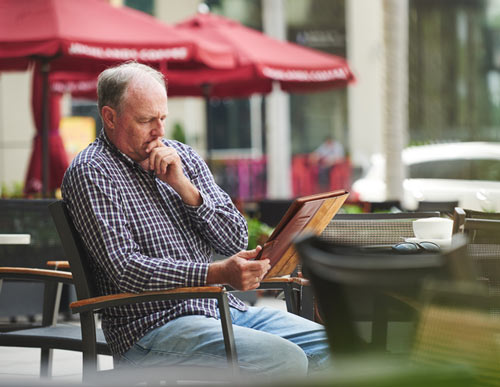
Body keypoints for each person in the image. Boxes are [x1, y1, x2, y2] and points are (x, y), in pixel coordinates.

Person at [61, 62, 329, 378]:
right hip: (150, 328)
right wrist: (216, 273)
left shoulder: (182, 157)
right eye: (146, 120)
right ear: (110, 117)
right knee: (283, 360)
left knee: (334, 346)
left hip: (221, 310)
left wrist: (184, 188)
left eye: (162, 118)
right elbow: (126, 269)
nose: (159, 131)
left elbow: (234, 239)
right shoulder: (91, 172)